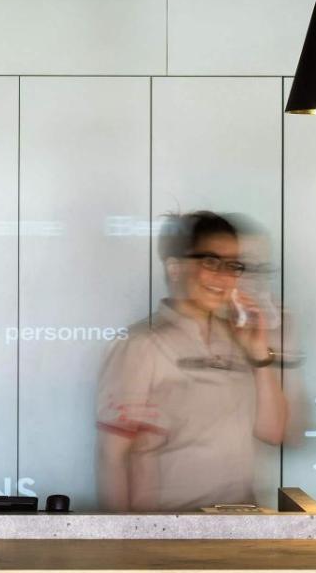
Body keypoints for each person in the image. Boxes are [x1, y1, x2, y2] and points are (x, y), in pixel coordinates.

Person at [96, 211, 288, 512]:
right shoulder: (140, 345)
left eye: (233, 266)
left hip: (242, 523)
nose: (225, 277)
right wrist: (123, 537)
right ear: (175, 268)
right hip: (171, 529)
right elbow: (112, 458)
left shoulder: (239, 339)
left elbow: (273, 431)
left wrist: (259, 352)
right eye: (211, 262)